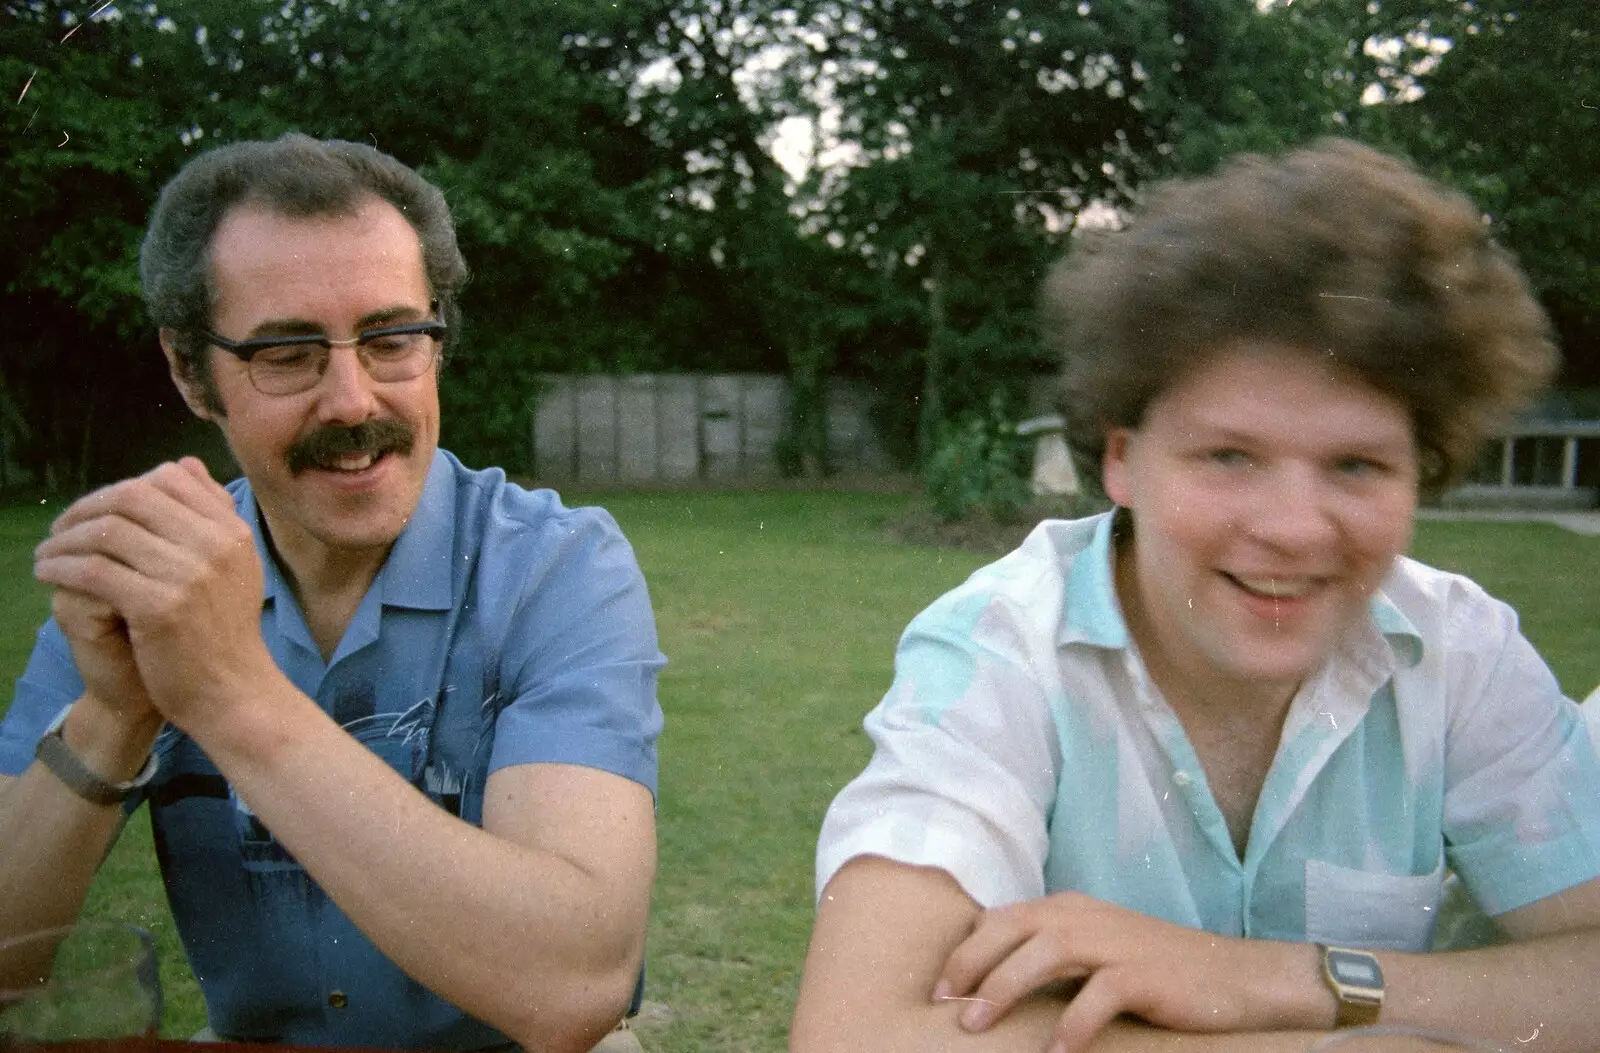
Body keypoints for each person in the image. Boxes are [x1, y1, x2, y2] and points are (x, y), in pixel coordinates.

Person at [790, 139, 1600, 1053]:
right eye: (1228, 455)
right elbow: (854, 1032)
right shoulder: (1001, 647)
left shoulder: (1464, 654)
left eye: (1357, 464)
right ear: (1122, 458)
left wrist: (1268, 977)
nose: (1294, 526)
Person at [0, 134, 665, 1053]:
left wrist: (230, 693)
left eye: (391, 339)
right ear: (191, 371)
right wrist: (113, 715)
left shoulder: (557, 566)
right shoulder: (149, 583)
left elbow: (575, 983)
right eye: (288, 354)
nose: (352, 400)